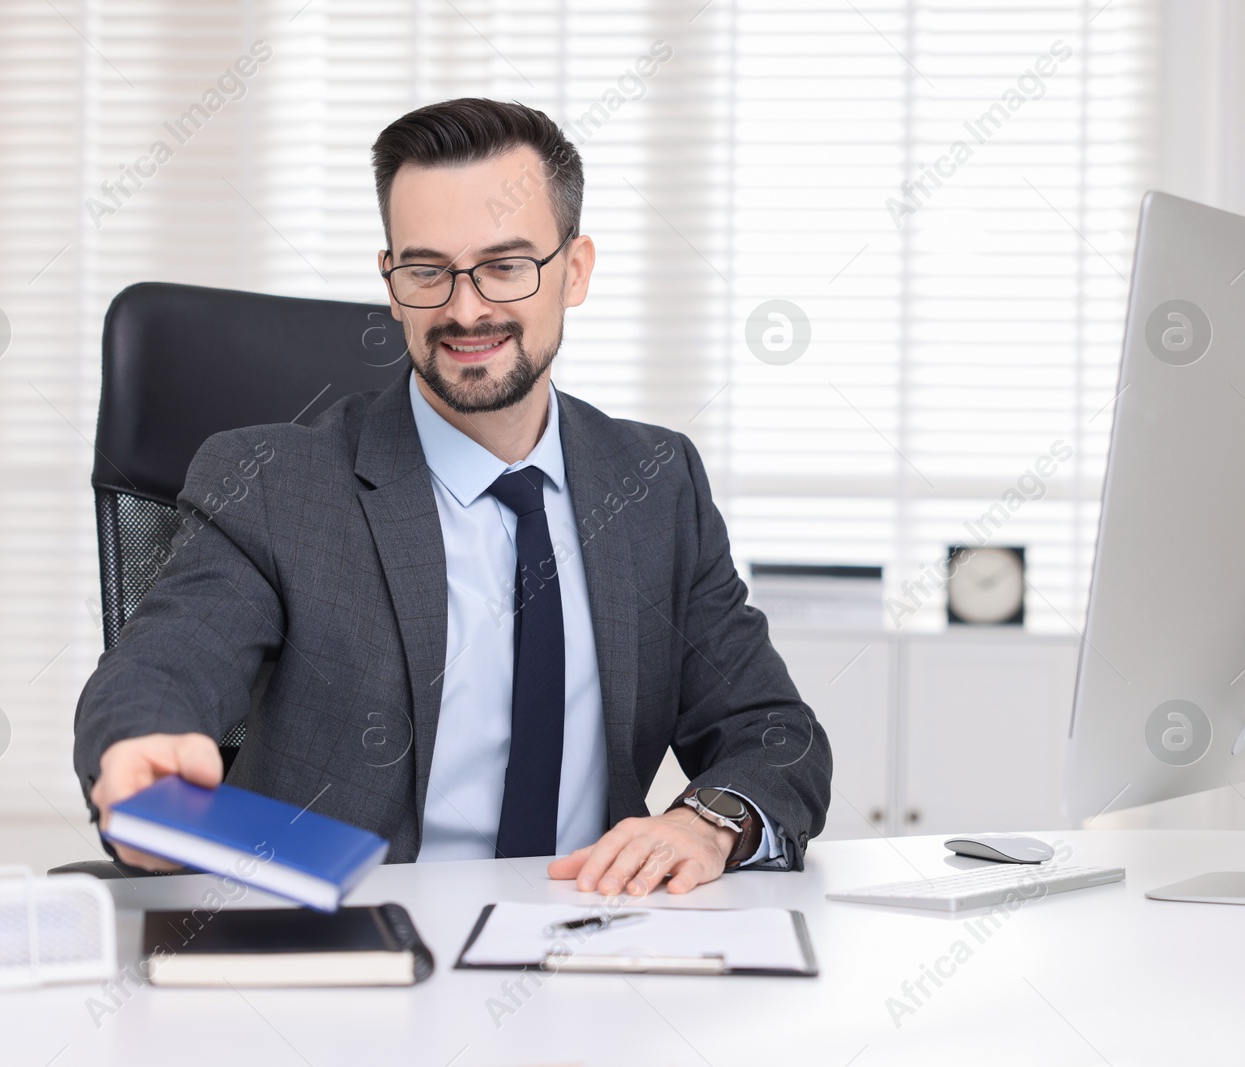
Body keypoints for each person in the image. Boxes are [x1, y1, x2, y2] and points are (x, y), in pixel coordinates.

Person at [74, 97, 830, 898]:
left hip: (594, 944)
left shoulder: (655, 484)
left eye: (506, 265)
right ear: (392, 283)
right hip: (355, 958)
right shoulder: (273, 482)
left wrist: (704, 822)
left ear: (574, 271)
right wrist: (142, 745)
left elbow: (772, 732)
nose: (466, 310)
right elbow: (166, 659)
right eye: (427, 270)